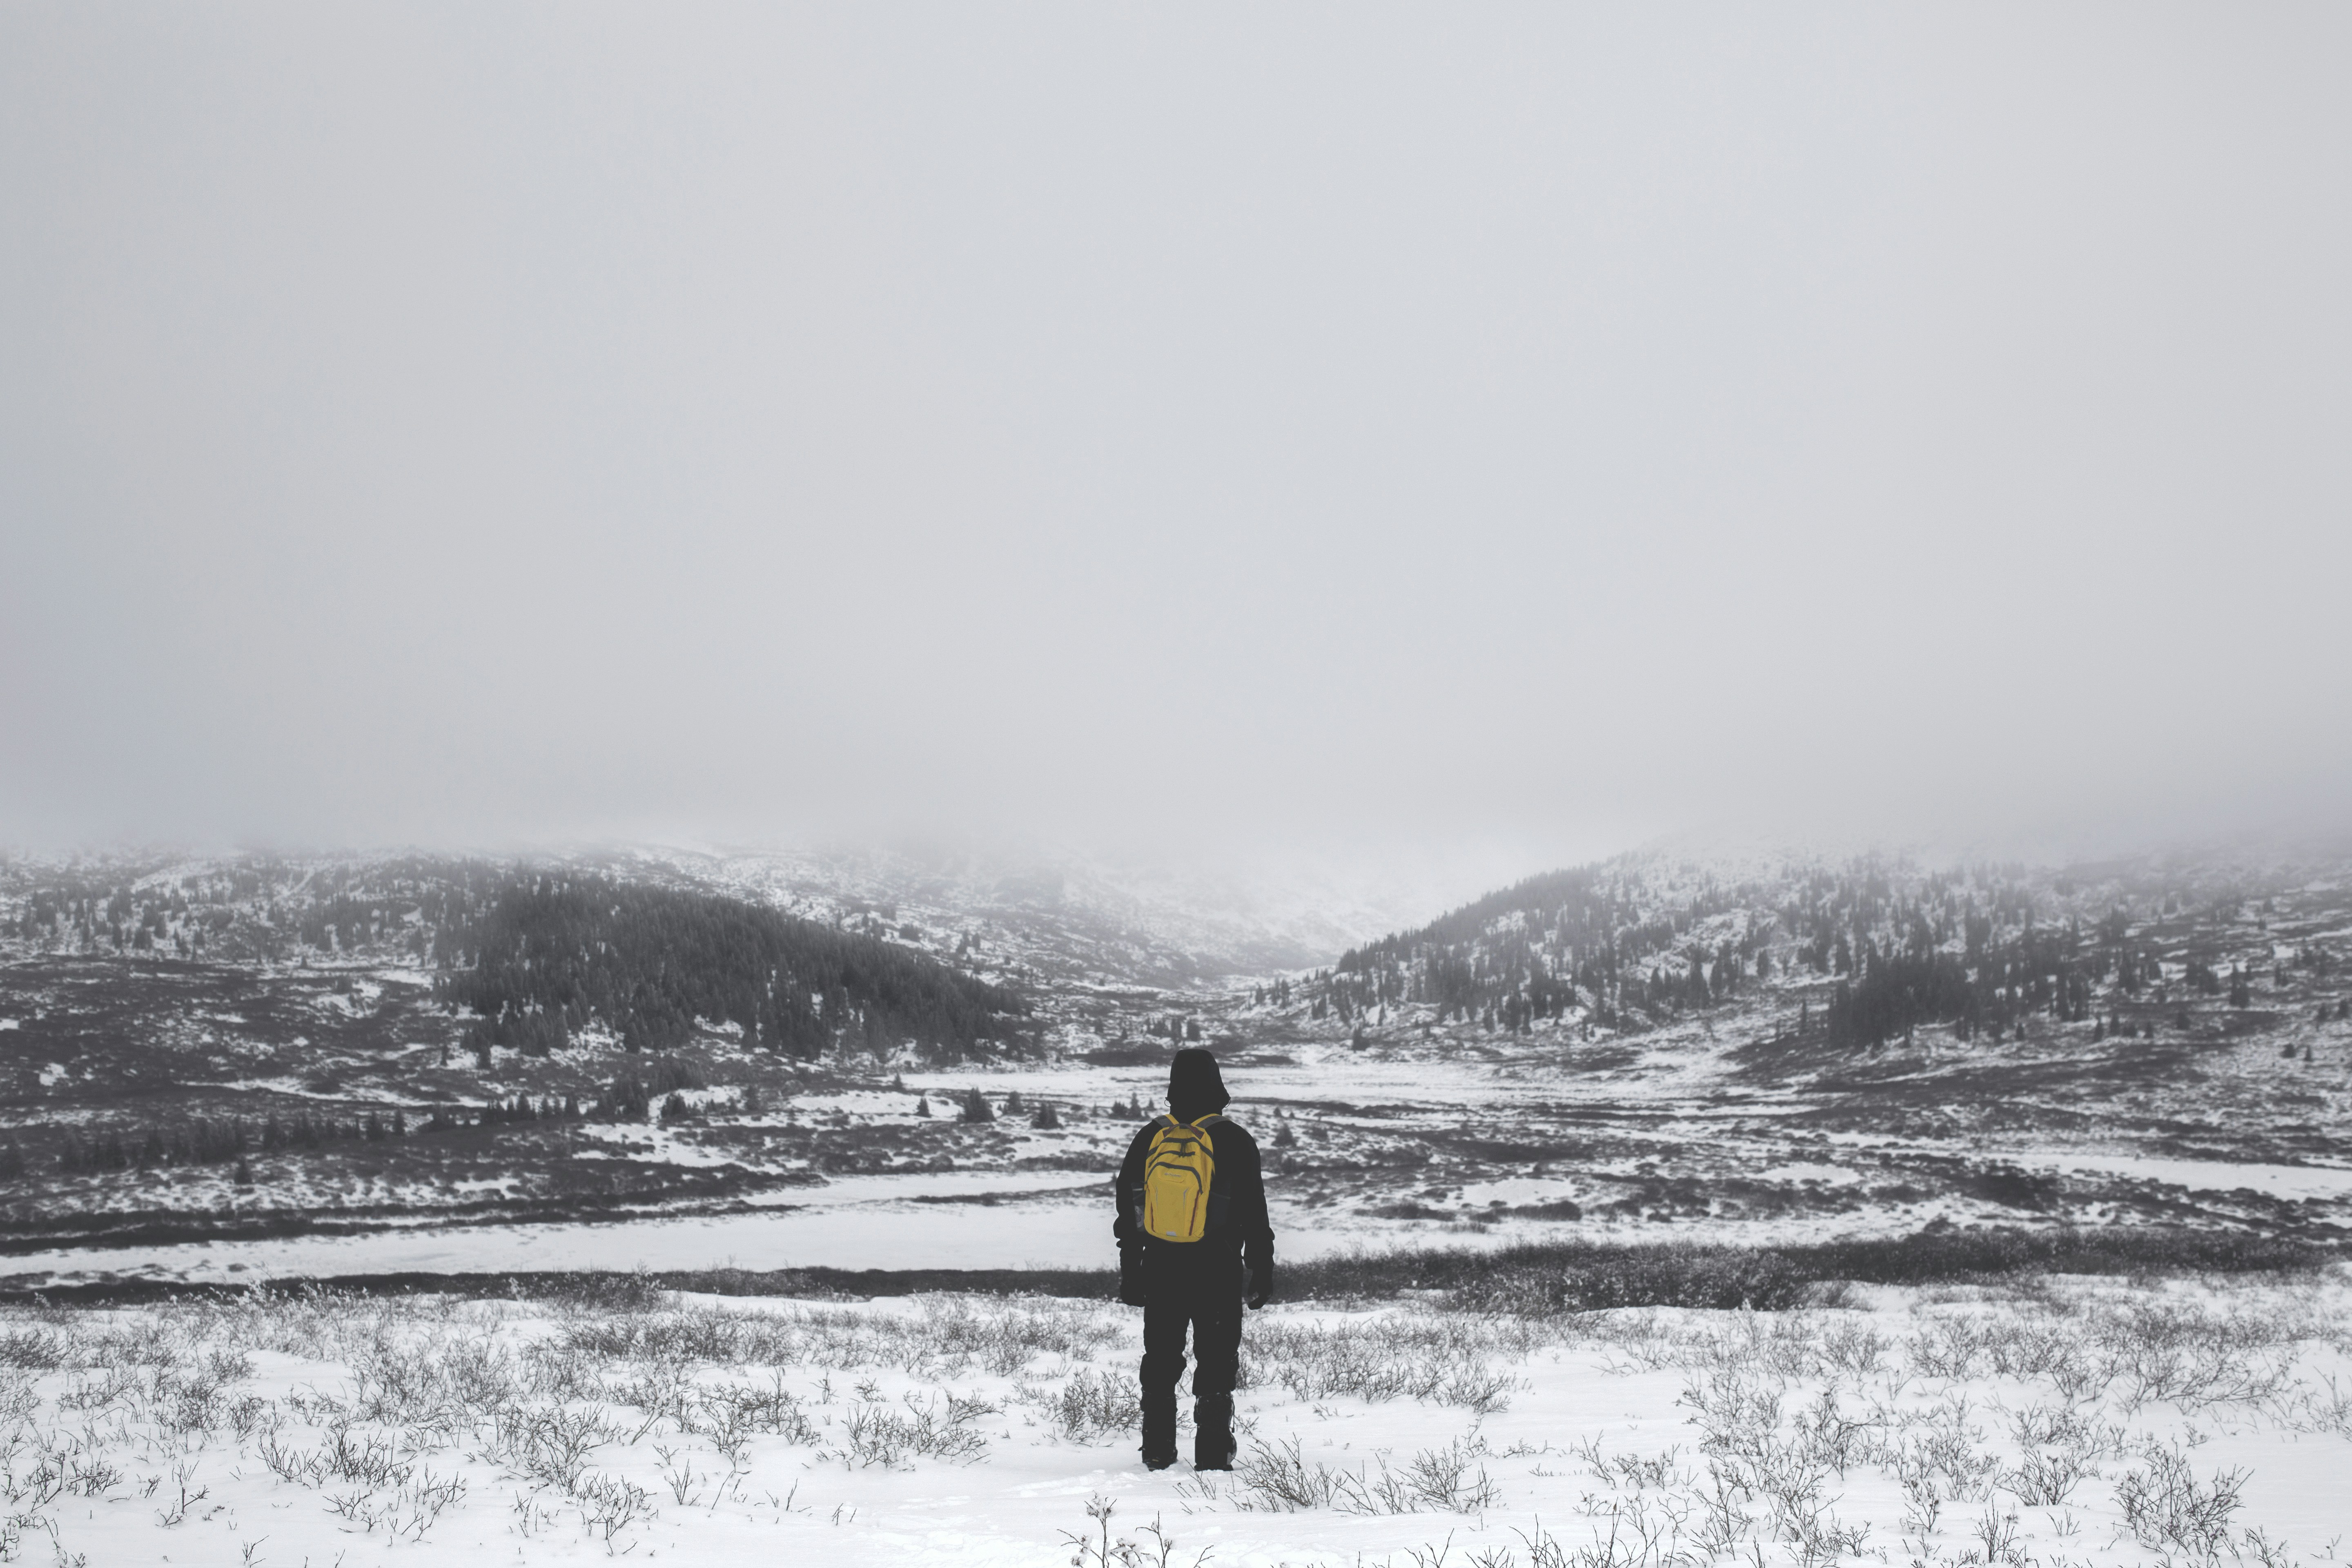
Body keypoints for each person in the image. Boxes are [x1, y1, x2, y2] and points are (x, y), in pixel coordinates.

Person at [1112, 1047, 1275, 1471]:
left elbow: (1129, 1211)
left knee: (1161, 1358)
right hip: (1218, 1270)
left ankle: (1157, 1451)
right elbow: (1255, 1214)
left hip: (1161, 1268)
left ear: (1173, 1087)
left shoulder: (1150, 1137)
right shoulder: (1234, 1139)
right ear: (1217, 1086)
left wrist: (1131, 1271)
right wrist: (1261, 1269)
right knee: (1217, 1360)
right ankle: (1214, 1456)